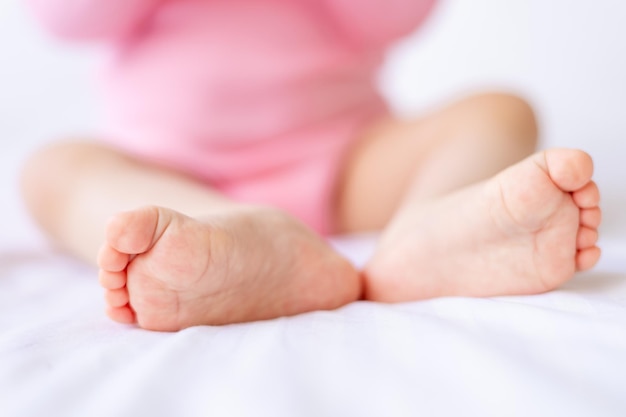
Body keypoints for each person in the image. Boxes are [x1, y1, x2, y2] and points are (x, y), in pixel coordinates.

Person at [21, 0, 601, 332]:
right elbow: (67, 18)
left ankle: (426, 229)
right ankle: (227, 236)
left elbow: (397, 16)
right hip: (165, 176)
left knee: (499, 111)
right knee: (51, 171)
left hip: (344, 167)